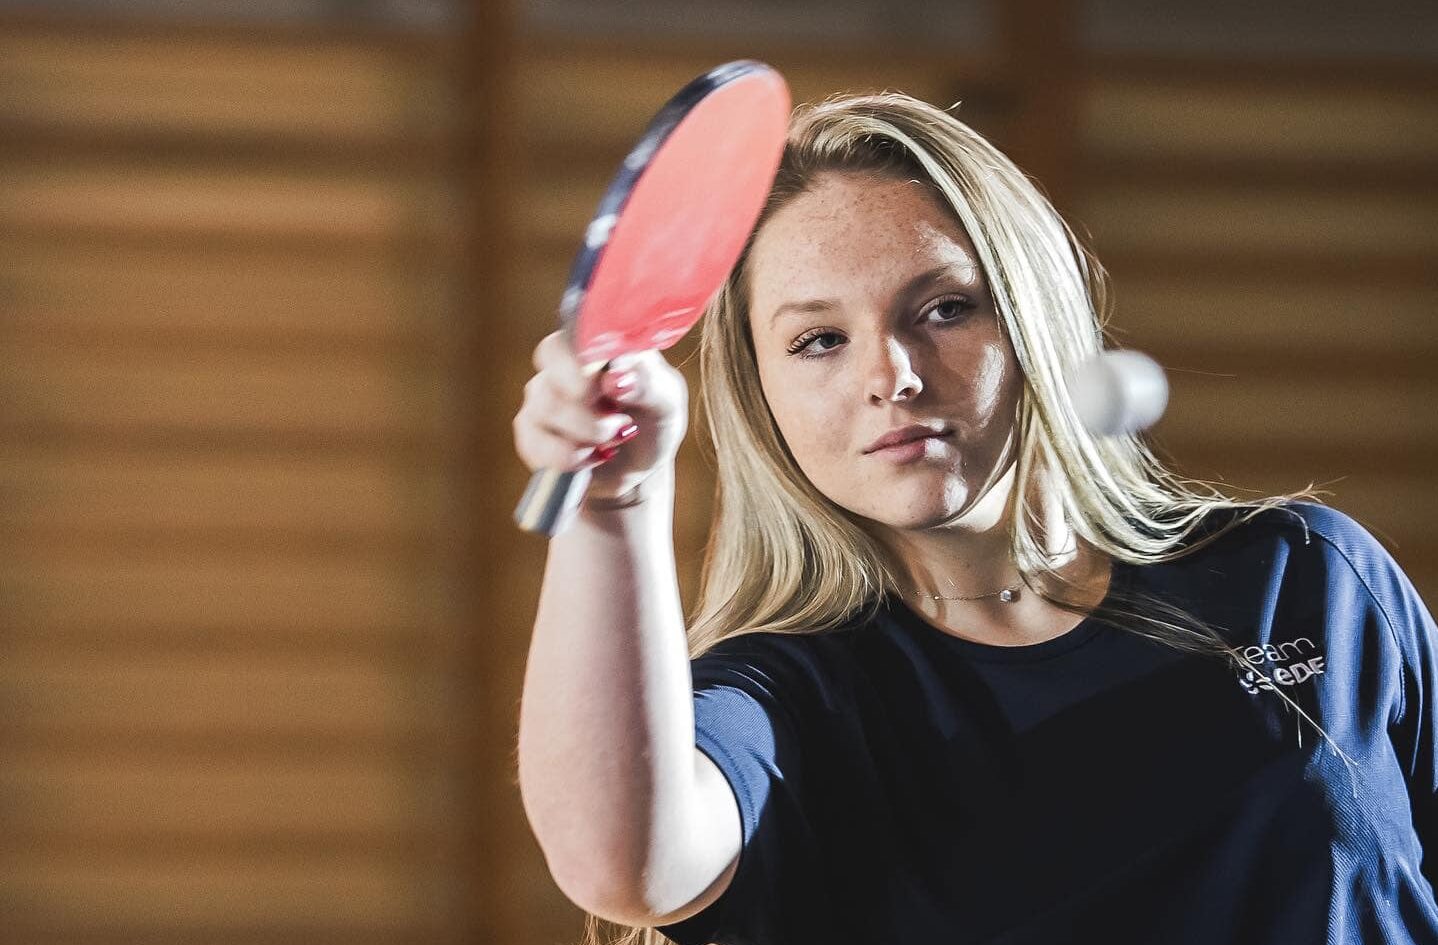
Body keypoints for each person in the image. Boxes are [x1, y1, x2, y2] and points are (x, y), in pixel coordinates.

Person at [512, 92, 1438, 945]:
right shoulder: (785, 701)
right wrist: (613, 499)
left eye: (945, 308)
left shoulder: (1304, 576)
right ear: (763, 397)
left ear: (1032, 317)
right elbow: (626, 869)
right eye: (819, 340)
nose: (893, 374)